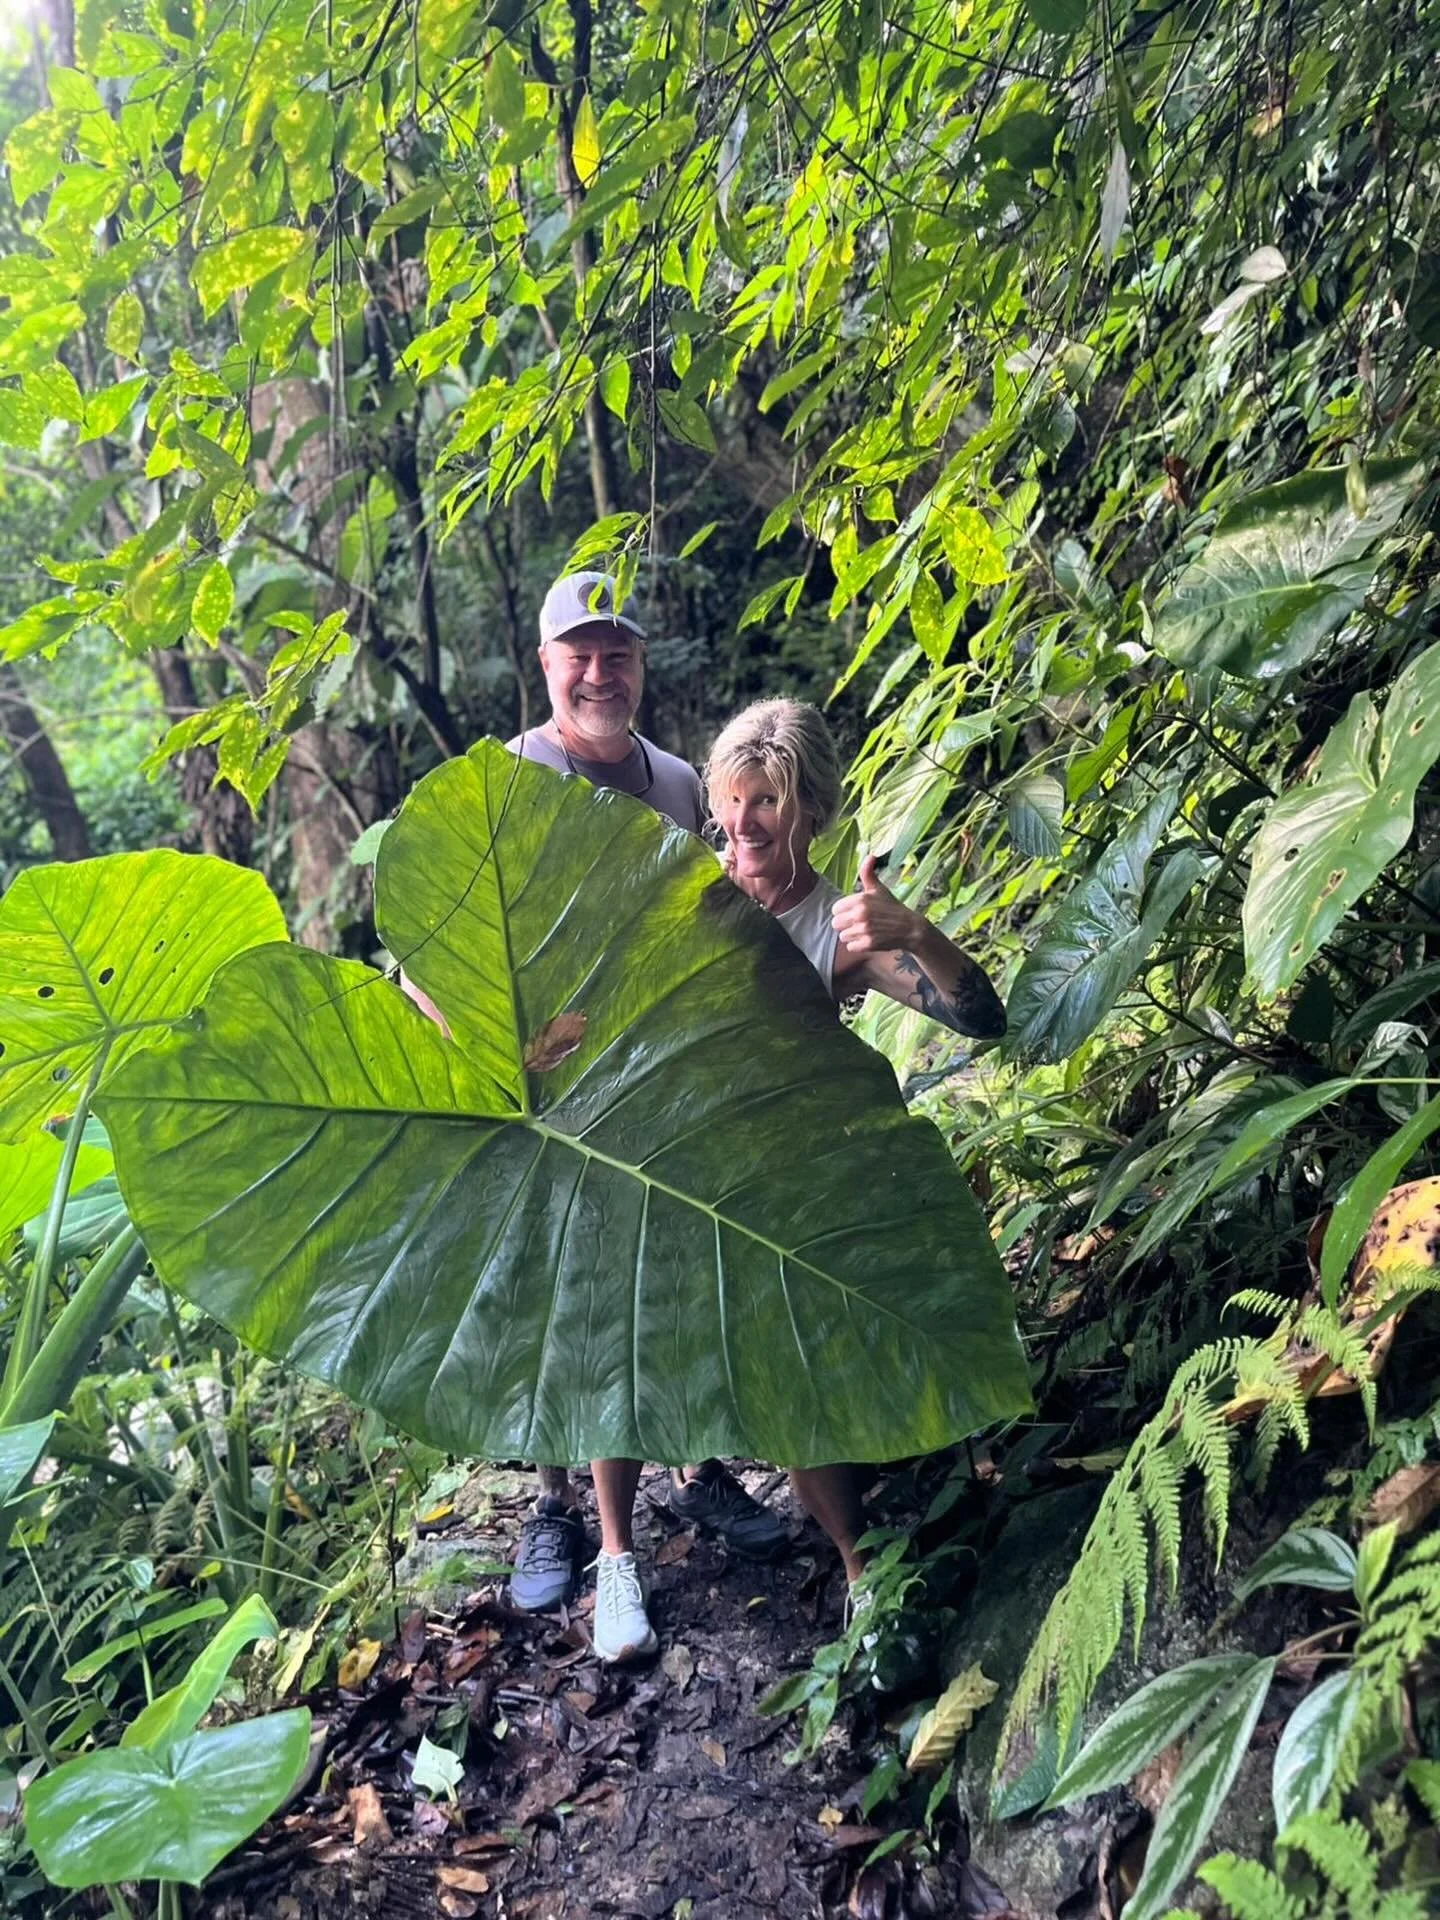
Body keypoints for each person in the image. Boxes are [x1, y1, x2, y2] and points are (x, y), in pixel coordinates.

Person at [402, 571, 787, 1642]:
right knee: (556, 1297)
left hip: (654, 1079)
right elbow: (434, 941)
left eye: (616, 651)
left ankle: (695, 1464)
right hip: (531, 1088)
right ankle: (557, 1508)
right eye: (579, 651)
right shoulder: (503, 783)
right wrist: (481, 1062)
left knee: (657, 1277)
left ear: (639, 664)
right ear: (545, 665)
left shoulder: (676, 785)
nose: (598, 670)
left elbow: (715, 919)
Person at [583, 696, 1007, 1662]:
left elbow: (983, 1018)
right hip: (671, 1154)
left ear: (810, 807)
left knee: (798, 1358)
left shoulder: (838, 926)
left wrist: (920, 933)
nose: (742, 832)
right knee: (615, 1313)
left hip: (794, 1185)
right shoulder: (688, 899)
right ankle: (615, 1560)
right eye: (727, 813)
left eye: (764, 806)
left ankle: (862, 1570)